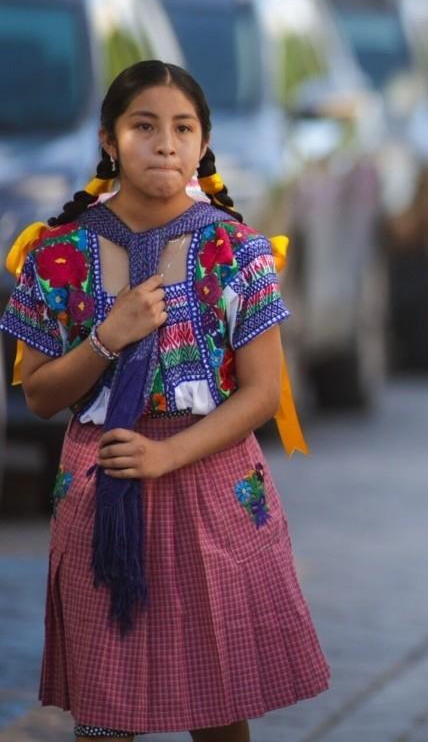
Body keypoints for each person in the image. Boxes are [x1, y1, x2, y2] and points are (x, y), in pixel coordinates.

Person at [1, 60, 329, 741]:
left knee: (216, 703)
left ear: (204, 144)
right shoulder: (56, 254)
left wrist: (166, 454)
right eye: (143, 126)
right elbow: (36, 395)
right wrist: (105, 338)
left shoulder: (237, 250)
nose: (165, 143)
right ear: (109, 140)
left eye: (183, 128)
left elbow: (265, 393)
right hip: (102, 484)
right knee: (104, 706)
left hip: (212, 485)